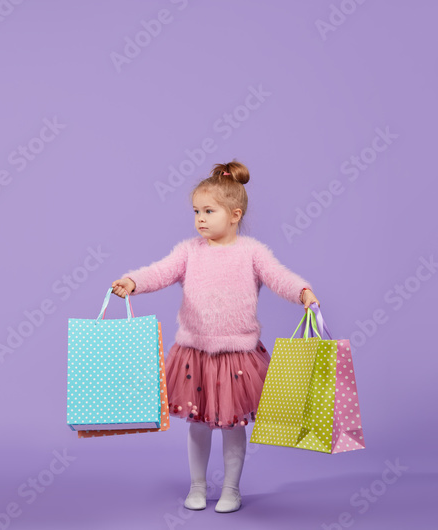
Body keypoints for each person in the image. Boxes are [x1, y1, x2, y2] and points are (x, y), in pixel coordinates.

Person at [110, 160, 319, 513]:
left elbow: (278, 276)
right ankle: (197, 486)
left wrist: (302, 292)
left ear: (234, 214)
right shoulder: (189, 251)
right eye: (196, 211)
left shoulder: (252, 252)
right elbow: (160, 271)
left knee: (233, 425)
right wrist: (133, 281)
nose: (200, 219)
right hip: (194, 354)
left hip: (237, 355)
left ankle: (231, 489)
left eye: (209, 211)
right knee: (199, 424)